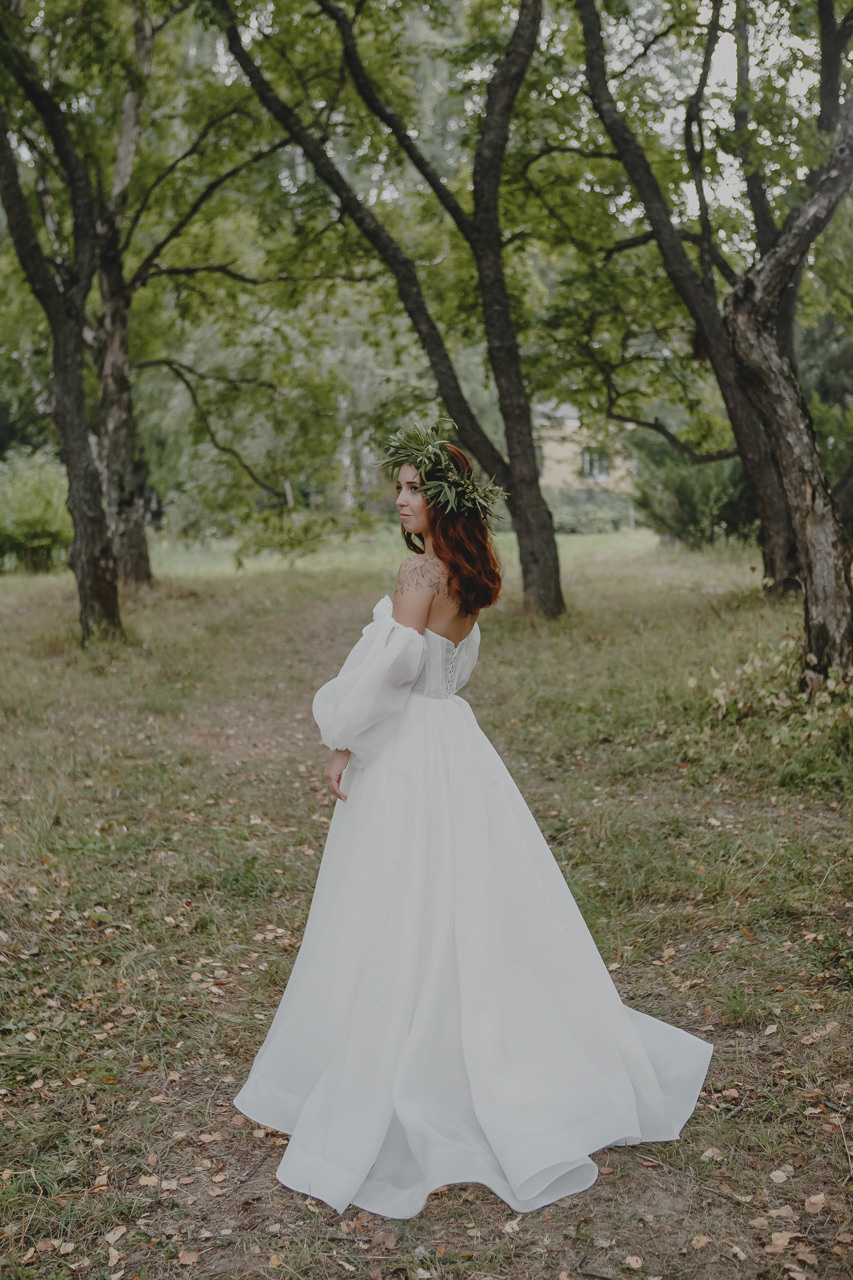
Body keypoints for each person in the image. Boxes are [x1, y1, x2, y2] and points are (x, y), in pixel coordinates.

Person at [234, 423, 713, 1219]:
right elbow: (439, 673)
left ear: (442, 498)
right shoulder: (469, 573)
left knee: (398, 906)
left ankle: (410, 1064)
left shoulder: (418, 572)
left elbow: (387, 671)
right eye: (398, 487)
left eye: (412, 488)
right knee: (468, 906)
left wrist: (342, 738)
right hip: (455, 747)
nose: (400, 499)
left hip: (412, 758)